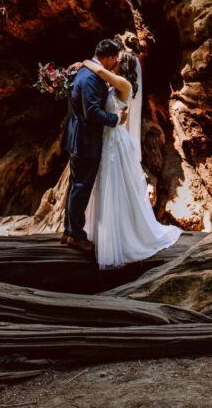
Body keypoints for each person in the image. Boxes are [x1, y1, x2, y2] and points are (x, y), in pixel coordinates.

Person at [78, 51, 182, 269]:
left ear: (123, 66)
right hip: (110, 139)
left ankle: (122, 237)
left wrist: (84, 63)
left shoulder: (123, 83)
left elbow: (98, 70)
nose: (113, 62)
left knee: (113, 186)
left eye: (117, 60)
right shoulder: (116, 85)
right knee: (107, 186)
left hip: (115, 142)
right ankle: (107, 234)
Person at [60, 39, 127, 252]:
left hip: (78, 137)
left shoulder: (85, 70)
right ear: (107, 58)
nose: (115, 62)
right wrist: (116, 119)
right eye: (114, 59)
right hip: (85, 140)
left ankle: (69, 231)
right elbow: (92, 112)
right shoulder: (90, 78)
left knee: (75, 186)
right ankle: (76, 236)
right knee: (80, 188)